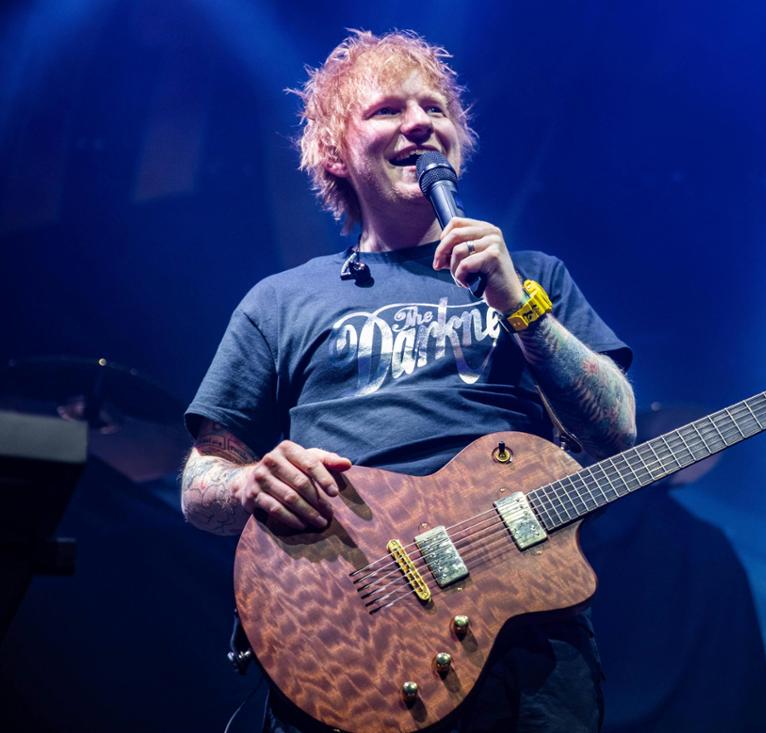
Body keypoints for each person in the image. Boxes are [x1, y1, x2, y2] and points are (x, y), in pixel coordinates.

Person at [180, 30, 636, 732]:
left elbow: (615, 427)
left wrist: (522, 307)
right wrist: (247, 484)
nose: (421, 123)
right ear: (335, 151)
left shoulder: (532, 277)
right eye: (388, 109)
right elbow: (199, 484)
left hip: (521, 646)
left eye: (436, 110)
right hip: (348, 632)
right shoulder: (281, 300)